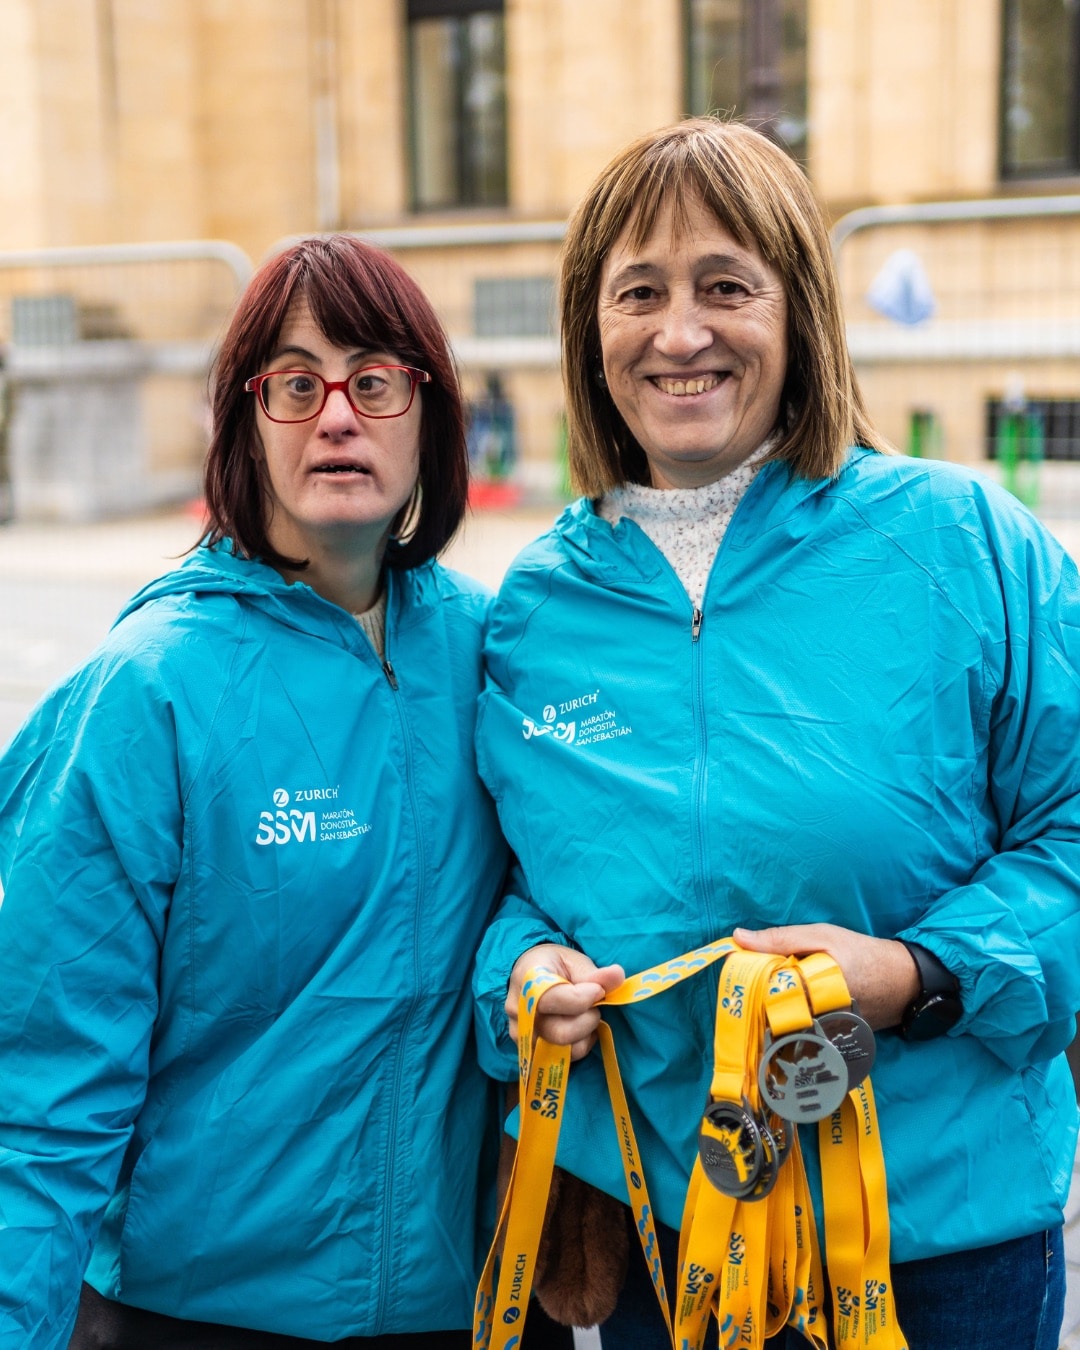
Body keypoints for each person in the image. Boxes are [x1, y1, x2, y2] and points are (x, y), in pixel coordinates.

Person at [473, 118, 1080, 1349]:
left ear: (798, 310)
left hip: (938, 1248)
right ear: (590, 333)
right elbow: (513, 886)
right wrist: (522, 978)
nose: (679, 333)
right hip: (665, 1244)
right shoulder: (535, 605)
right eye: (637, 291)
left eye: (725, 287)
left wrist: (919, 975)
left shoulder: (967, 545)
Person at [0, 235, 511, 1348]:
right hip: (196, 1313)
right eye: (294, 383)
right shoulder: (147, 696)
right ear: (244, 424)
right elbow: (43, 1094)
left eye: (375, 380)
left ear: (430, 416)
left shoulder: (491, 653)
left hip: (454, 1305)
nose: (337, 414)